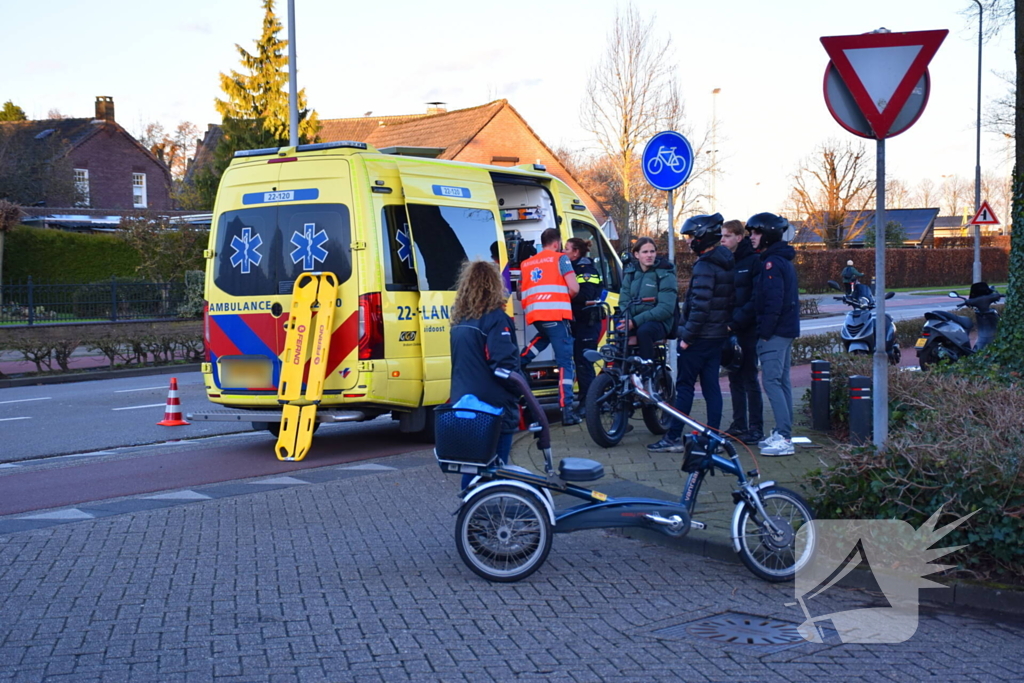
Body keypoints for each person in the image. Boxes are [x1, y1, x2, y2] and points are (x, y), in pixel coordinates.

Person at [648, 214, 735, 453]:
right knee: (711, 387)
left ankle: (674, 436)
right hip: (716, 335)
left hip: (699, 337)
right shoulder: (725, 260)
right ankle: (714, 438)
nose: (687, 241)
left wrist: (687, 337)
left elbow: (700, 306)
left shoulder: (706, 265)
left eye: (691, 236)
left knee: (685, 386)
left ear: (703, 237)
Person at [449, 260, 522, 488]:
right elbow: (503, 366)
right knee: (494, 467)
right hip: (492, 406)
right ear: (494, 285)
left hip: (464, 402)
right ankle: (486, 516)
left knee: (473, 465)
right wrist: (520, 390)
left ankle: (470, 512)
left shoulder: (459, 321)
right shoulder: (496, 319)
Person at [747, 212, 800, 457]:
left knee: (771, 381)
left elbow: (773, 301)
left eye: (756, 233)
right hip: (785, 330)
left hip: (776, 332)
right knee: (782, 381)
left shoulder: (771, 263)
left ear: (767, 234)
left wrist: (765, 333)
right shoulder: (780, 259)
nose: (752, 237)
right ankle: (783, 432)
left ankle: (785, 437)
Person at [519, 228, 580, 425]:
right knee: (565, 364)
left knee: (541, 340)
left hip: (537, 316)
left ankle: (517, 364)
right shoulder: (560, 259)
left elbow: (522, 292)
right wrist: (562, 299)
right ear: (557, 243)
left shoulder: (526, 263)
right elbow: (574, 288)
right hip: (555, 315)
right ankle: (567, 411)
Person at [720, 219, 764, 445]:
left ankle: (756, 428)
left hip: (746, 329)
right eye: (722, 236)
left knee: (749, 377)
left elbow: (755, 299)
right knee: (733, 376)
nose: (722, 240)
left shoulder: (754, 261)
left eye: (727, 236)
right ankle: (738, 424)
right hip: (728, 328)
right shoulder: (725, 261)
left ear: (739, 237)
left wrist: (735, 323)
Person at [618, 236, 678, 362]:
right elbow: (624, 301)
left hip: (659, 322)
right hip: (633, 320)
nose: (649, 255)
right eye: (645, 252)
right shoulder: (630, 273)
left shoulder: (665, 274)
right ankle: (619, 372)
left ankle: (646, 371)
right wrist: (627, 319)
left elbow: (665, 309)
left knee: (644, 331)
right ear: (636, 255)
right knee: (617, 333)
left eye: (652, 251)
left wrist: (634, 322)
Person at [564, 237, 604, 416]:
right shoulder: (573, 267)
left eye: (567, 248)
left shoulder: (585, 269)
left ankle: (590, 404)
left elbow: (587, 294)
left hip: (588, 322)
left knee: (585, 363)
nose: (564, 251)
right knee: (580, 363)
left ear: (575, 252)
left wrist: (565, 295)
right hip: (579, 322)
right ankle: (590, 402)